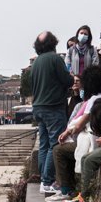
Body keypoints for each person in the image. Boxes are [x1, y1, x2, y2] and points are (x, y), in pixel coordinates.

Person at [47, 67, 101, 202]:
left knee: (58, 150)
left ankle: (65, 190)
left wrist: (68, 132)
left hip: (94, 139)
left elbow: (79, 125)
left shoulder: (94, 99)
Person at [29, 31, 73, 193]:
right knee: (55, 144)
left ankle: (43, 178)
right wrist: (72, 79)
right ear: (53, 43)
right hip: (53, 107)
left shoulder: (36, 63)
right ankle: (47, 182)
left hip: (38, 108)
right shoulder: (55, 59)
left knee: (44, 144)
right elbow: (66, 80)